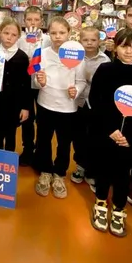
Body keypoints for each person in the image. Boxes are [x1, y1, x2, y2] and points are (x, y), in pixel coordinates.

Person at [88, 29, 132, 237]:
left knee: (122, 173)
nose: (129, 51)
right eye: (124, 46)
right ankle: (101, 202)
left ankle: (119, 207)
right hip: (107, 133)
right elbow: (96, 101)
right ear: (115, 47)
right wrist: (110, 130)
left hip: (130, 138)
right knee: (103, 169)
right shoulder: (105, 70)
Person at [33, 16, 86, 199]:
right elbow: (36, 79)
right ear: (48, 33)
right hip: (45, 103)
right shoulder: (43, 53)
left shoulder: (77, 55)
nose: (57, 36)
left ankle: (59, 174)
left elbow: (81, 81)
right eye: (53, 32)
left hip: (68, 107)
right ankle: (45, 171)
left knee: (64, 142)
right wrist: (40, 82)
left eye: (62, 32)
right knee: (43, 139)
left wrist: (76, 90)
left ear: (69, 33)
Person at [70, 25, 109, 189]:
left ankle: (92, 170)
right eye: (85, 40)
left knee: (94, 138)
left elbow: (106, 83)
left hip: (95, 105)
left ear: (99, 41)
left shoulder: (105, 60)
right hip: (78, 102)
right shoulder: (74, 56)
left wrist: (90, 77)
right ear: (80, 41)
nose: (89, 43)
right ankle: (80, 166)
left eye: (93, 40)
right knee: (78, 136)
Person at [0, 18, 31, 152]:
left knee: (11, 132)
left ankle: (8, 160)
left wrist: (25, 107)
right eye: (6, 33)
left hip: (14, 103)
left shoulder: (22, 57)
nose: (9, 37)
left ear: (18, 37)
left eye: (13, 35)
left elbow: (26, 84)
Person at [16, 6, 49, 167]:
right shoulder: (20, 39)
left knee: (43, 120)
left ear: (42, 21)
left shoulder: (48, 39)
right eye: (29, 19)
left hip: (43, 83)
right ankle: (27, 149)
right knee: (27, 118)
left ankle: (41, 152)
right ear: (24, 21)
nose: (33, 23)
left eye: (36, 20)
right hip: (25, 84)